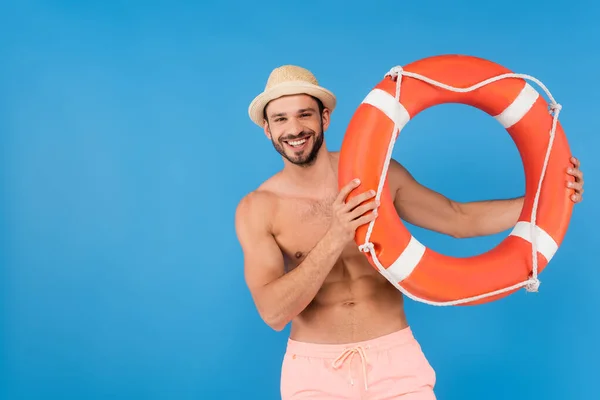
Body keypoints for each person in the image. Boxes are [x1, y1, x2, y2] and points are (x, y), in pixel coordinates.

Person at [234, 65, 585, 399]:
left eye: (304, 114)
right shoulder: (258, 208)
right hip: (314, 371)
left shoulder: (376, 174)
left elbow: (459, 219)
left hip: (395, 361)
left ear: (324, 118)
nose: (294, 129)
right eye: (280, 119)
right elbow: (274, 314)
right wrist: (337, 234)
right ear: (268, 129)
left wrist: (550, 196)